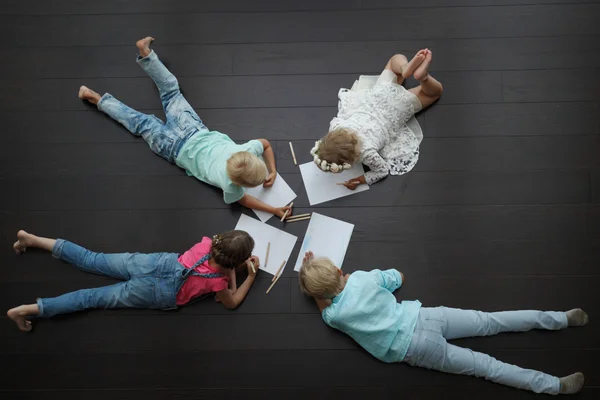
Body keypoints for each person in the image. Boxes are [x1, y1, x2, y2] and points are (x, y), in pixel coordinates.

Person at [297, 251, 587, 395]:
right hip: (423, 316)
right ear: (339, 269)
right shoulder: (362, 278)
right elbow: (398, 277)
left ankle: (554, 386)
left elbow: (325, 305)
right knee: (490, 321)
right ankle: (561, 318)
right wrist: (339, 276)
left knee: (485, 367)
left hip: (413, 349)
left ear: (318, 295)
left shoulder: (335, 316)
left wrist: (317, 288)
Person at [78, 36, 292, 218]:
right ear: (240, 183)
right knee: (140, 123)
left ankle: (146, 54)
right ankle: (96, 99)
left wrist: (272, 170)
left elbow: (265, 144)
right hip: (173, 149)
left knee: (170, 90)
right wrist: (273, 208)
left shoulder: (245, 150)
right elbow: (244, 201)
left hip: (190, 128)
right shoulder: (230, 185)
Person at [7, 229, 260, 332]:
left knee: (91, 258)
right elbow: (231, 302)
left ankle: (33, 239)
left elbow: (214, 264)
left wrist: (232, 266)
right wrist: (247, 276)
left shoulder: (205, 243)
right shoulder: (219, 284)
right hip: (153, 291)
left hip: (151, 264)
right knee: (90, 298)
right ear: (233, 263)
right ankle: (29, 309)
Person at [310, 50, 443, 190]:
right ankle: (404, 69)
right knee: (394, 61)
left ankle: (424, 78)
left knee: (434, 93)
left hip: (397, 107)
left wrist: (359, 180)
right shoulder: (336, 126)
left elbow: (382, 171)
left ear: (348, 162)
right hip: (378, 95)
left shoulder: (366, 154)